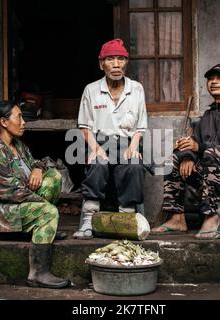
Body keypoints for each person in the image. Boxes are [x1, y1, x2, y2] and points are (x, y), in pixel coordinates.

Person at [151, 64, 220, 239]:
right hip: (216, 173)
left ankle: (211, 217)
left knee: (212, 154)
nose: (214, 82)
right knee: (174, 158)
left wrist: (200, 148)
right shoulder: (208, 115)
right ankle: (177, 218)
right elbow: (193, 144)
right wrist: (188, 156)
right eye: (211, 79)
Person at [0, 100, 71, 288]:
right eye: (19, 117)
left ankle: (39, 227)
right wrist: (47, 207)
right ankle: (38, 273)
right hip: (0, 211)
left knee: (53, 177)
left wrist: (37, 169)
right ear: (4, 122)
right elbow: (10, 192)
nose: (23, 122)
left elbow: (40, 162)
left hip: (20, 201)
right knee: (49, 212)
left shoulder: (18, 145)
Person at [73, 38, 148, 240]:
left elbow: (140, 126)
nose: (116, 64)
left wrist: (134, 146)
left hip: (126, 143)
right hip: (99, 142)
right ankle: (89, 219)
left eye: (121, 59)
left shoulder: (137, 89)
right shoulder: (91, 90)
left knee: (133, 165)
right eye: (110, 59)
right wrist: (95, 148)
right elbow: (84, 126)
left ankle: (126, 218)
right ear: (101, 64)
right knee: (97, 163)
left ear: (126, 63)